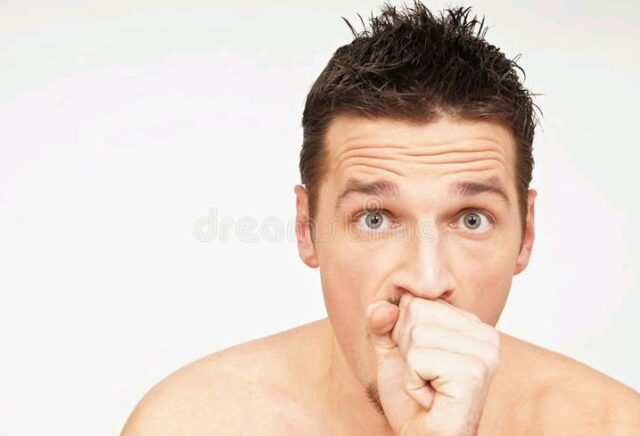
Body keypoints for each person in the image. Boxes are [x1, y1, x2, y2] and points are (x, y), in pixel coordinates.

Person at [122, 3, 640, 434]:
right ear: (307, 230)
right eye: (374, 218)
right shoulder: (190, 423)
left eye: (471, 219)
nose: (427, 281)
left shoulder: (613, 424)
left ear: (526, 235)